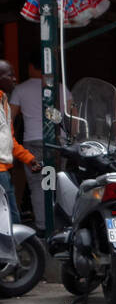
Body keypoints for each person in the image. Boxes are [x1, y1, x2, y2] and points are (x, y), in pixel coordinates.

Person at [10, 59, 64, 229]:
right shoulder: (60, 87)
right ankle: (59, 225)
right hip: (58, 141)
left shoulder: (21, 89)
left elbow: (9, 118)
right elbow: (73, 112)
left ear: (32, 66)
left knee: (37, 185)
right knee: (58, 183)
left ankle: (43, 226)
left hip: (33, 141)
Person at [0, 61, 39, 225]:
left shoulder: (4, 102)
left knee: (11, 219)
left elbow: (9, 139)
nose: (15, 79)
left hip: (4, 172)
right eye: (10, 75)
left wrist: (29, 158)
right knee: (11, 220)